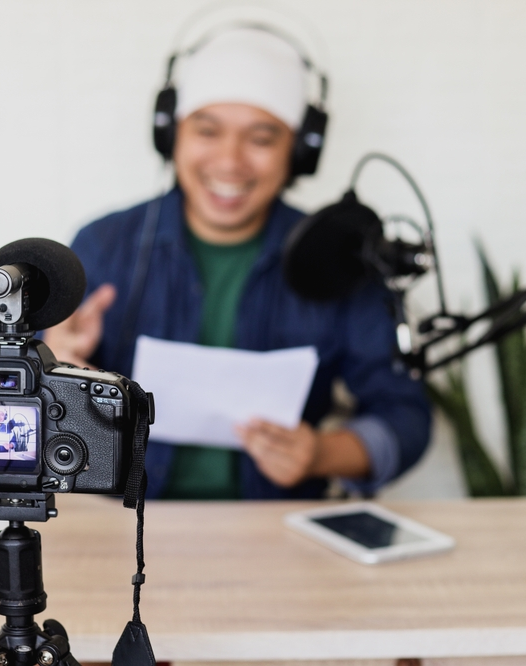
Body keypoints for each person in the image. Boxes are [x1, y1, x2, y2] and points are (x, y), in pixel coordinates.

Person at [44, 26, 430, 500]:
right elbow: (34, 421)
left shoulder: (341, 256)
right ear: (172, 136)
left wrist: (321, 453)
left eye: (261, 138)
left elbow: (406, 416)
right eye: (207, 131)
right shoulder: (103, 244)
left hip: (274, 532)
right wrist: (58, 367)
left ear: (300, 151)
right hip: (127, 525)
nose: (230, 161)